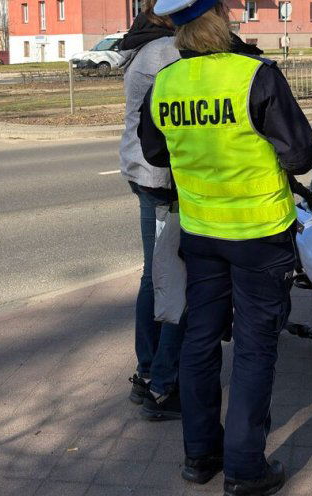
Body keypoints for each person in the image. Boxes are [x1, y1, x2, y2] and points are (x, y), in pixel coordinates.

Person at [137, 0, 312, 494]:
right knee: (256, 349)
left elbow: (154, 151)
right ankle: (244, 470)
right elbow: (301, 155)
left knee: (199, 341)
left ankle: (199, 456)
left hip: (201, 234)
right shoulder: (255, 75)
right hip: (259, 235)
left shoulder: (166, 82)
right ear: (220, 18)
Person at [118, 1, 184, 421]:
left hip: (141, 170)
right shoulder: (165, 52)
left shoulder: (143, 43)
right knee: (173, 279)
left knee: (153, 275)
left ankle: (147, 371)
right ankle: (162, 383)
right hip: (162, 177)